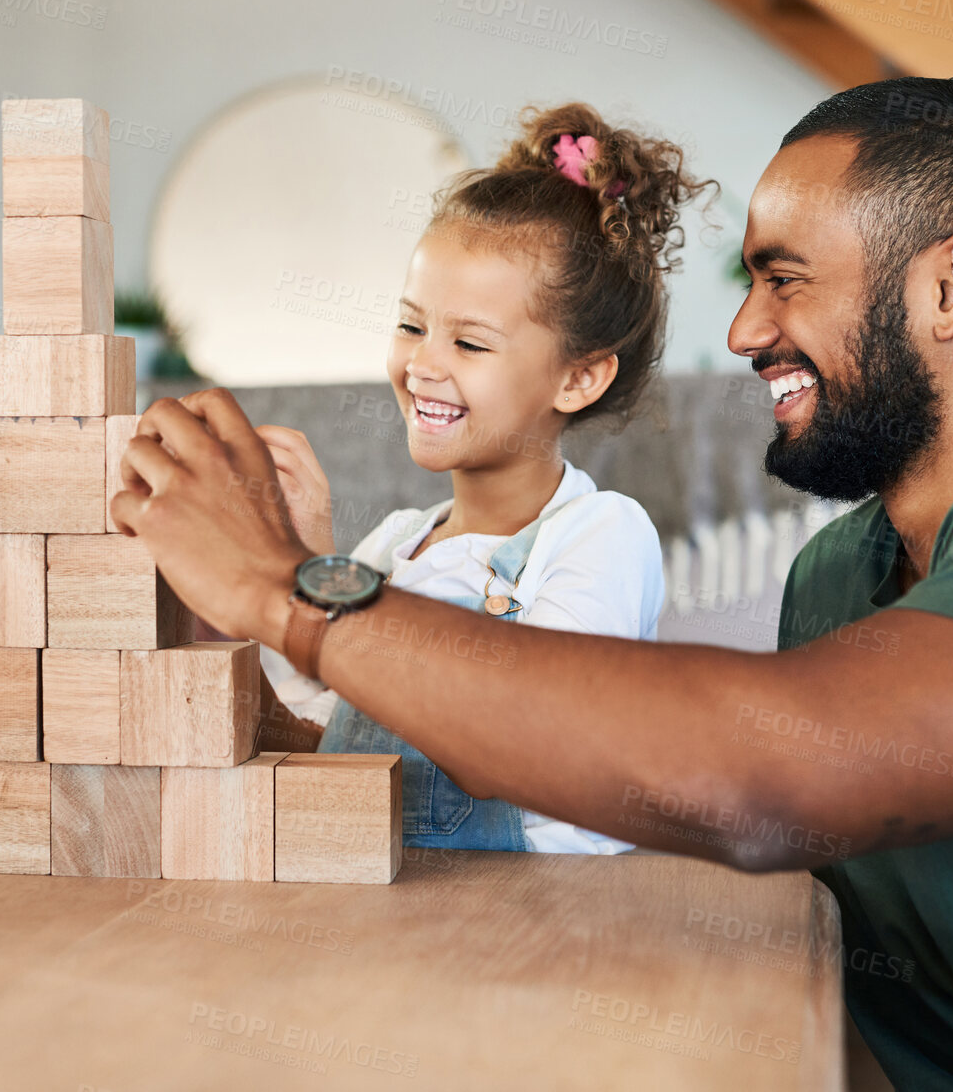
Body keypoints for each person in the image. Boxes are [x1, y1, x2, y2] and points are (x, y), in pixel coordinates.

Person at [109, 76, 953, 1090]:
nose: (743, 330)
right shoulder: (837, 574)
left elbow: (772, 775)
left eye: (783, 280)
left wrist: (290, 590)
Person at [260, 103, 707, 852]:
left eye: (469, 341)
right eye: (411, 326)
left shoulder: (601, 535)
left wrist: (333, 592)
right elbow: (316, 727)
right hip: (384, 898)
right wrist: (306, 565)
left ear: (579, 377)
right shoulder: (399, 542)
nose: (423, 363)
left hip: (524, 922)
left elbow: (526, 733)